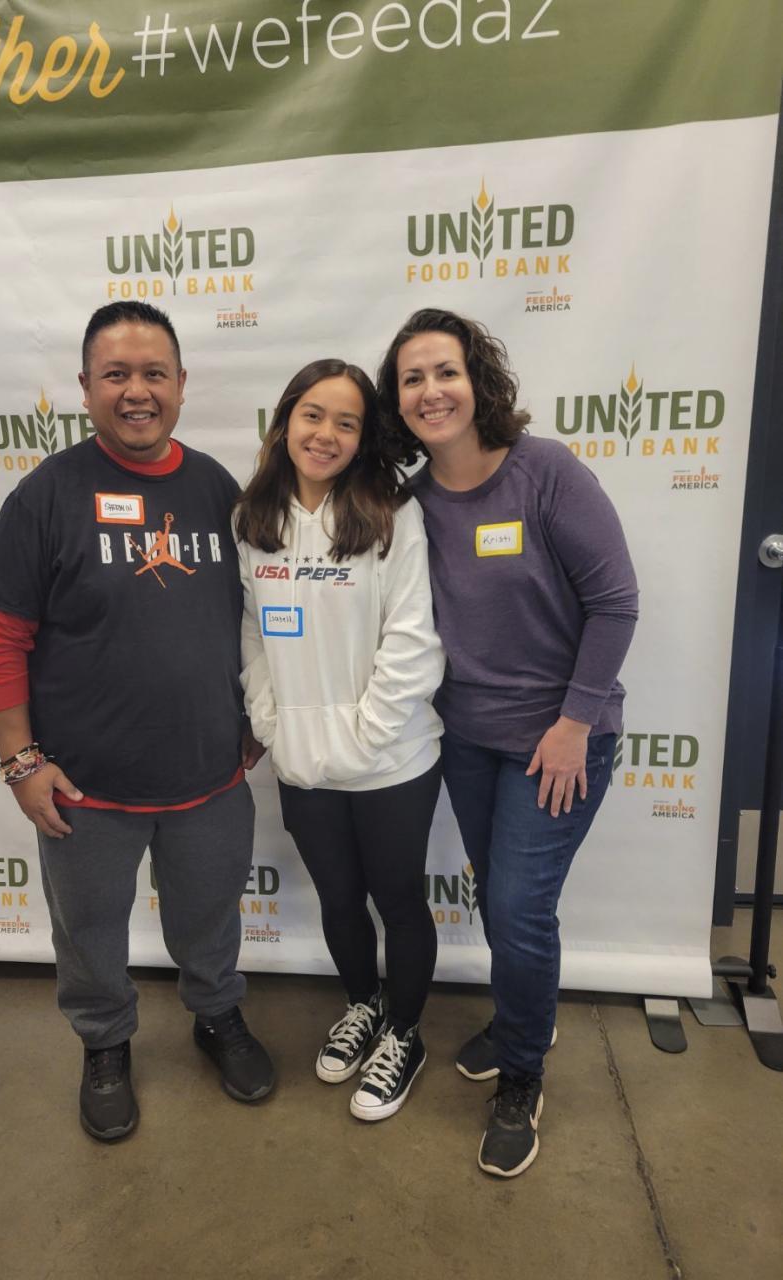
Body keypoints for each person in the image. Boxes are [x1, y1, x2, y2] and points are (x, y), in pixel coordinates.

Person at [0, 301, 273, 1143]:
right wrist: (20, 760)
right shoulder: (47, 495)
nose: (136, 391)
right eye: (116, 375)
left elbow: (257, 614)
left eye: (153, 373)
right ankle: (105, 1043)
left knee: (210, 918)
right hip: (86, 787)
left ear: (181, 384)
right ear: (85, 388)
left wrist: (258, 712)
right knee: (90, 931)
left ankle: (217, 1015)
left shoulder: (215, 488)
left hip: (210, 775)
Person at [377, 308, 638, 1176]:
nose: (431, 391)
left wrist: (573, 725)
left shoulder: (545, 472)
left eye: (445, 371)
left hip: (559, 740)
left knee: (521, 909)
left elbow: (615, 602)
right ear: (398, 400)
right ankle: (525, 1016)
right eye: (412, 378)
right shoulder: (413, 503)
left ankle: (523, 1071)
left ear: (477, 380)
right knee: (498, 900)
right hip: (469, 740)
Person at [234, 358, 445, 1121]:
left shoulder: (391, 513)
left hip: (392, 763)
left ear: (363, 438)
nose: (326, 434)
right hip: (303, 765)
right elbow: (254, 633)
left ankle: (405, 1034)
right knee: (339, 900)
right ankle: (364, 1004)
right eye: (313, 415)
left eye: (346, 423)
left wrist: (363, 739)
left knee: (399, 900)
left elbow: (413, 641)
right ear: (286, 421)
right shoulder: (253, 519)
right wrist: (272, 724)